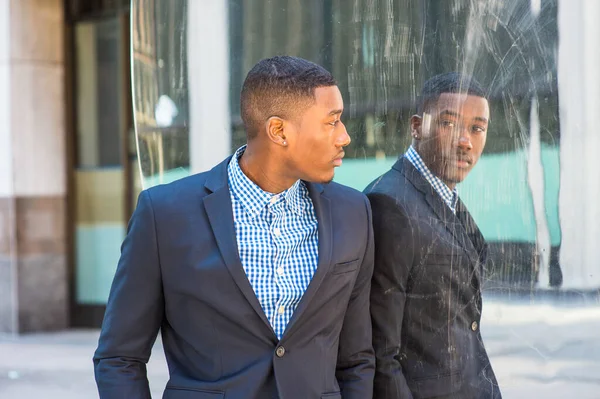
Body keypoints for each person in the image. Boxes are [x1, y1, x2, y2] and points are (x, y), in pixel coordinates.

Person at [94, 56, 375, 399]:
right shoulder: (164, 215)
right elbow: (119, 357)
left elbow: (357, 358)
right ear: (278, 131)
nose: (344, 136)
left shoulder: (353, 212)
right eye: (332, 122)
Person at [365, 72, 502, 399]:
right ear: (417, 127)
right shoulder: (391, 204)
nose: (465, 141)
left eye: (477, 128)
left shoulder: (444, 195)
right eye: (449, 124)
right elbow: (381, 352)